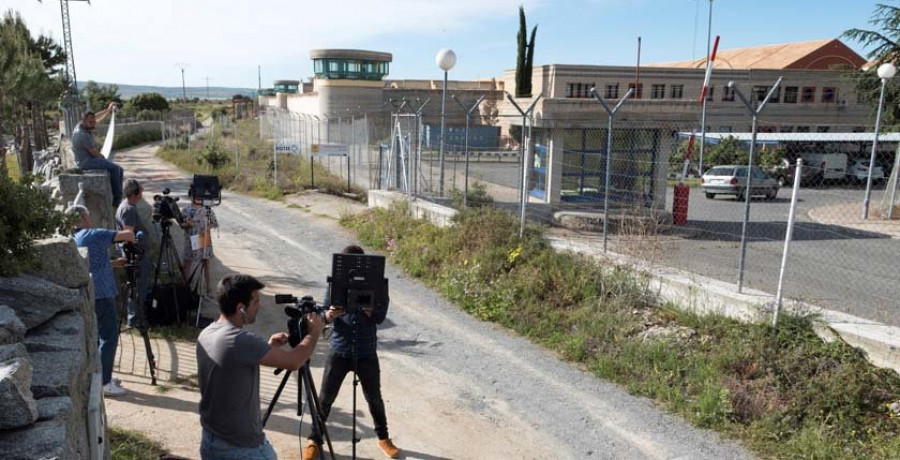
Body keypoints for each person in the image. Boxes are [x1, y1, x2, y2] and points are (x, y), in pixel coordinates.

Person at [197, 274, 324, 460]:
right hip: (241, 448)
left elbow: (232, 364)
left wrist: (269, 347)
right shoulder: (240, 341)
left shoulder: (208, 333)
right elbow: (294, 361)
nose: (259, 306)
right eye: (256, 301)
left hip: (211, 440)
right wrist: (313, 333)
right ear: (241, 308)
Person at [304, 245, 400, 460]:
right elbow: (323, 313)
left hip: (366, 351)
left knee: (374, 397)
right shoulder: (336, 284)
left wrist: (369, 310)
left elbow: (380, 316)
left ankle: (383, 438)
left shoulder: (377, 286)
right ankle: (314, 439)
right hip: (339, 349)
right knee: (325, 398)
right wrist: (329, 315)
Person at [68, 205, 135, 397]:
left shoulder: (76, 238)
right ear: (83, 218)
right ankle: (105, 382)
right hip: (103, 294)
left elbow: (93, 262)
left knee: (98, 337)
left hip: (92, 292)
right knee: (109, 336)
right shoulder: (93, 234)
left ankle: (100, 376)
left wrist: (114, 263)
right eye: (88, 216)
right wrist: (132, 228)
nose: (90, 218)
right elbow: (127, 236)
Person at [115, 178, 152, 328]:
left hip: (133, 254)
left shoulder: (125, 206)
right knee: (138, 287)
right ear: (134, 193)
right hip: (135, 256)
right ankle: (135, 320)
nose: (142, 193)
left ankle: (135, 318)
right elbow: (128, 233)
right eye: (140, 191)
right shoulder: (129, 209)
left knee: (136, 287)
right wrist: (138, 246)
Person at [71, 103, 124, 206]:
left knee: (120, 169)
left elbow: (96, 117)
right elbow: (95, 154)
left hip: (86, 159)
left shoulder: (80, 125)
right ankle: (117, 200)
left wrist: (107, 110)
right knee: (115, 169)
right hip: (85, 162)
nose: (94, 124)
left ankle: (119, 194)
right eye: (91, 122)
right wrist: (105, 160)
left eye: (94, 121)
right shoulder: (83, 135)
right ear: (84, 121)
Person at [181, 189, 218, 296]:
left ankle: (208, 289)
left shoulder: (207, 209)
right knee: (187, 263)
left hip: (202, 237)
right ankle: (184, 289)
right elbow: (181, 224)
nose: (198, 198)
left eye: (199, 195)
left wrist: (205, 229)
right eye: (195, 195)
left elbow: (214, 223)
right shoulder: (185, 210)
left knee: (205, 263)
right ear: (191, 196)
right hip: (189, 239)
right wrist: (188, 224)